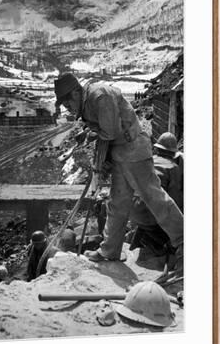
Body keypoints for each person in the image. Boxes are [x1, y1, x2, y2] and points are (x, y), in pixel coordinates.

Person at [54, 73, 183, 272]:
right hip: (121, 155)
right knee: (118, 204)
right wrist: (103, 160)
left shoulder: (99, 96)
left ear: (75, 94)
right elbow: (107, 135)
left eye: (67, 104)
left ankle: (184, 240)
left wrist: (90, 138)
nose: (68, 109)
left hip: (135, 152)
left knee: (153, 197)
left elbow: (109, 132)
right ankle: (109, 250)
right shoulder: (88, 101)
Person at [129, 132, 184, 254]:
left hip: (131, 209)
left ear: (157, 148)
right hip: (150, 215)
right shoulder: (172, 167)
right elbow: (175, 200)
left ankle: (142, 243)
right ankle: (165, 249)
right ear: (173, 153)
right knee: (176, 226)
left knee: (147, 210)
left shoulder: (148, 161)